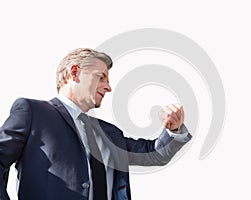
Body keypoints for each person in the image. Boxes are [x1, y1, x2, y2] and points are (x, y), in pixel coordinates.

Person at [0, 48, 192, 200]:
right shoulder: (33, 112)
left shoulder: (109, 133)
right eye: (101, 77)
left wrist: (173, 129)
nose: (108, 87)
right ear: (74, 73)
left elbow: (153, 155)